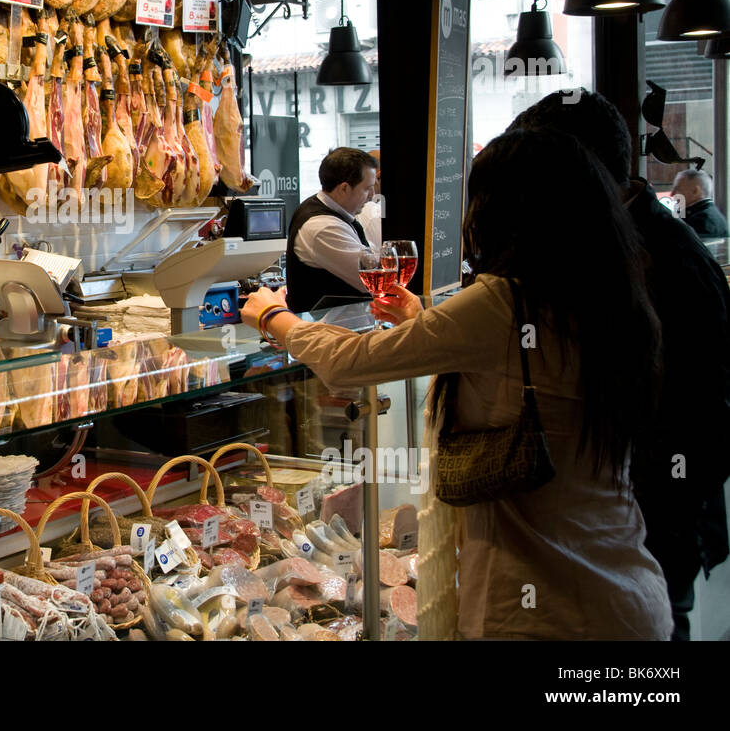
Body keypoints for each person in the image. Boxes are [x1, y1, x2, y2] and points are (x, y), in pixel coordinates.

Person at [244, 128, 672, 640]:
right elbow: (511, 372)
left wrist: (275, 318)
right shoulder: (609, 295)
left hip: (546, 611)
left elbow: (351, 360)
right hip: (626, 590)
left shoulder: (505, 300)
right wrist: (423, 321)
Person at [509, 91, 730, 640]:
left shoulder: (660, 256)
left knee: (654, 628)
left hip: (657, 507)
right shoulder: (616, 239)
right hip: (630, 507)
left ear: (576, 170)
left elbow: (692, 407)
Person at [285, 147, 378, 313]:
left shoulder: (334, 214)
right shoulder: (323, 227)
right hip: (326, 333)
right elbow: (372, 279)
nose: (372, 195)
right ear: (344, 188)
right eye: (367, 188)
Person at [672, 168, 729, 239]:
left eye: (677, 189)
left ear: (696, 191)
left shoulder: (703, 222)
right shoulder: (701, 215)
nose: (672, 194)